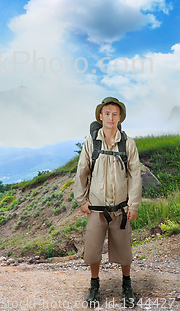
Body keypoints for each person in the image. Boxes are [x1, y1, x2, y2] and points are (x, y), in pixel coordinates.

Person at [74, 97, 142, 306]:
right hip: (95, 208)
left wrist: (134, 205)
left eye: (115, 114)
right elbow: (82, 172)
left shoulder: (127, 143)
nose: (110, 117)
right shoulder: (91, 142)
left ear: (119, 117)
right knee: (93, 250)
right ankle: (94, 285)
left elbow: (136, 175)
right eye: (107, 113)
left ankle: (127, 285)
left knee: (124, 251)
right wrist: (81, 200)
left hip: (121, 209)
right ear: (100, 116)